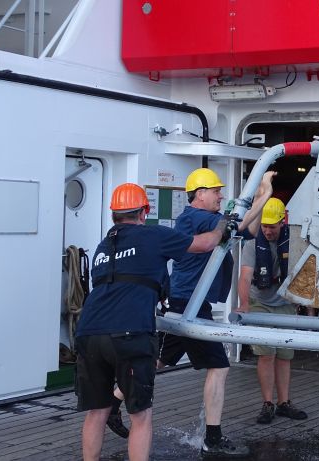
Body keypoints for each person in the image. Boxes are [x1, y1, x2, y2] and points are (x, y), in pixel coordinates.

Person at [75, 183, 228, 461]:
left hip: (89, 332)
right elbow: (206, 243)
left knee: (96, 412)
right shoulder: (153, 236)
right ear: (144, 212)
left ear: (114, 215)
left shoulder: (102, 247)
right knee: (140, 415)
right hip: (130, 333)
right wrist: (222, 226)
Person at [158, 167, 274, 457]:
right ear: (200, 195)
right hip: (191, 303)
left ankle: (112, 403)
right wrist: (265, 194)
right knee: (220, 366)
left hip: (187, 301)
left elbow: (248, 230)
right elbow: (235, 226)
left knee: (159, 359)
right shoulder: (197, 217)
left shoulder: (203, 219)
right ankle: (213, 437)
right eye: (216, 191)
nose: (221, 195)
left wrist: (260, 201)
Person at [237, 198, 308, 424]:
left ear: (282, 223)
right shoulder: (251, 245)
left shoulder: (295, 242)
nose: (267, 231)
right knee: (266, 355)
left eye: (272, 226)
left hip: (286, 303)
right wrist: (244, 304)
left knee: (285, 356)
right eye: (264, 226)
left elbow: (306, 274)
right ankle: (267, 403)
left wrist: (306, 305)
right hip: (260, 302)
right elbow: (246, 276)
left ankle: (284, 403)